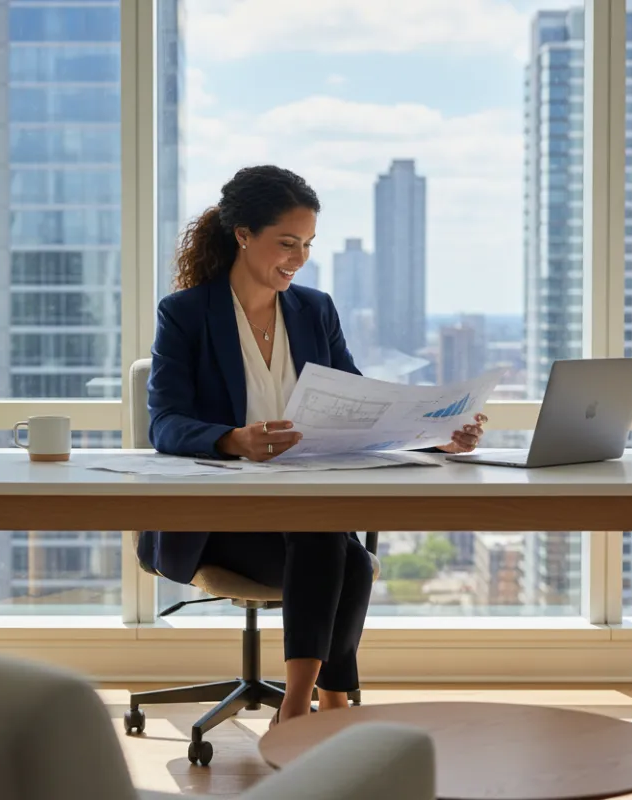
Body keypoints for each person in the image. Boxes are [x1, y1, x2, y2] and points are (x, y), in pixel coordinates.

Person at [138, 165, 486, 724]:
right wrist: (233, 439)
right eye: (287, 243)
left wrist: (439, 438)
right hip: (219, 520)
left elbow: (363, 410)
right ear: (243, 235)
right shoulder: (186, 315)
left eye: (307, 245)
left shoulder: (313, 310)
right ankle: (324, 703)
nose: (298, 258)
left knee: (330, 537)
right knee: (343, 550)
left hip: (303, 514)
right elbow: (166, 422)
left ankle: (303, 706)